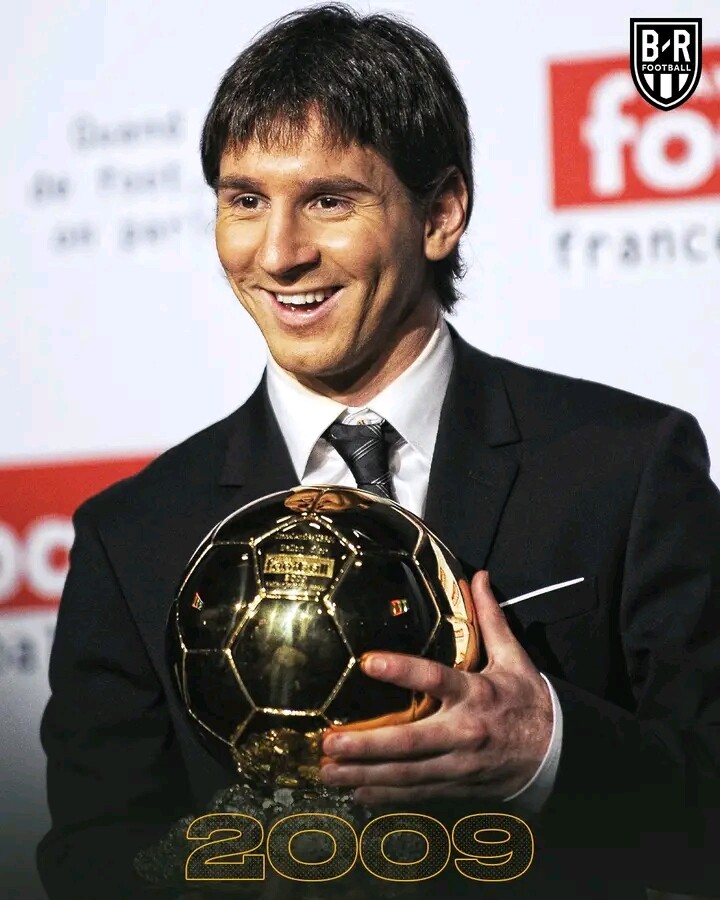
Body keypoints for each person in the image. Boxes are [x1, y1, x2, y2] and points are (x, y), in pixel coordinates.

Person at [38, 4, 720, 899]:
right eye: (246, 201)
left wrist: (544, 748)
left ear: (440, 213)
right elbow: (92, 858)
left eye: (328, 200)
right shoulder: (133, 536)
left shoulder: (627, 468)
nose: (278, 254)